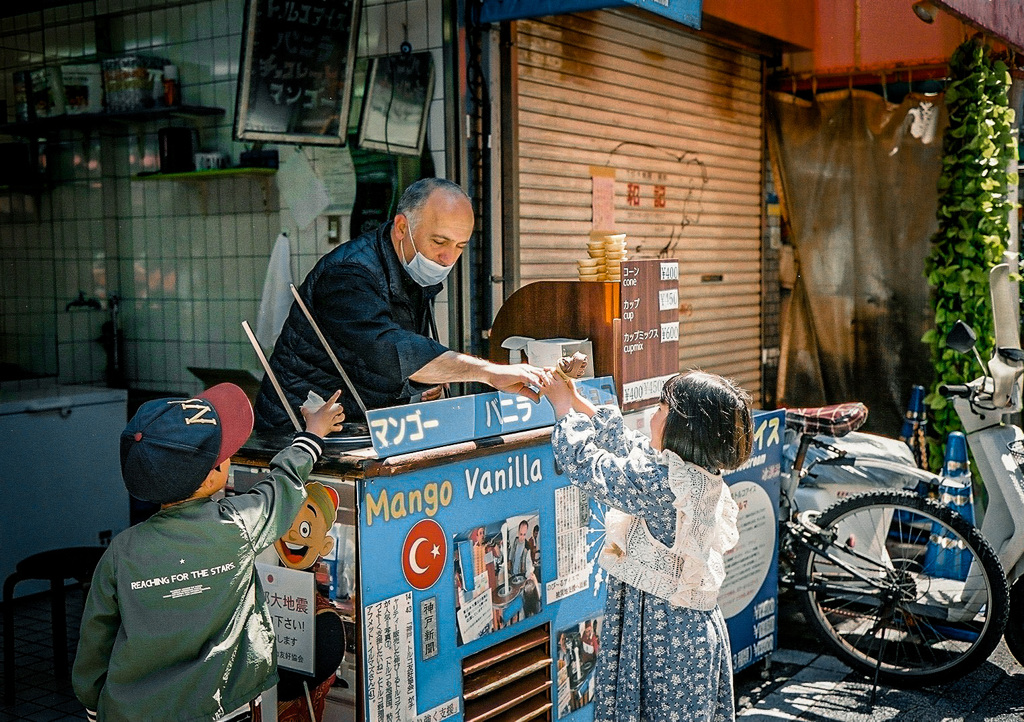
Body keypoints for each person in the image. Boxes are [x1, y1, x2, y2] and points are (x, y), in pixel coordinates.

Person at [72, 384, 347, 722]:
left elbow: (96, 640)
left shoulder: (121, 552)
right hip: (221, 710)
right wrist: (313, 433)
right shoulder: (237, 526)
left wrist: (93, 705)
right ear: (213, 474)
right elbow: (283, 483)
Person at [539, 370, 752, 722]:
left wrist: (563, 407)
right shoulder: (693, 473)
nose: (652, 417)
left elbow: (590, 467)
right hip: (690, 630)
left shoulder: (662, 485)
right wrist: (579, 403)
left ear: (685, 428)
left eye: (661, 408)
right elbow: (631, 448)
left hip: (664, 634)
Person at [254, 177, 544, 431]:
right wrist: (489, 373)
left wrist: (421, 383)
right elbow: (390, 352)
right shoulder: (349, 275)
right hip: (299, 426)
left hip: (359, 419)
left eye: (459, 246)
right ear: (402, 227)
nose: (448, 258)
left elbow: (393, 360)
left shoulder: (409, 265)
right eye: (439, 241)